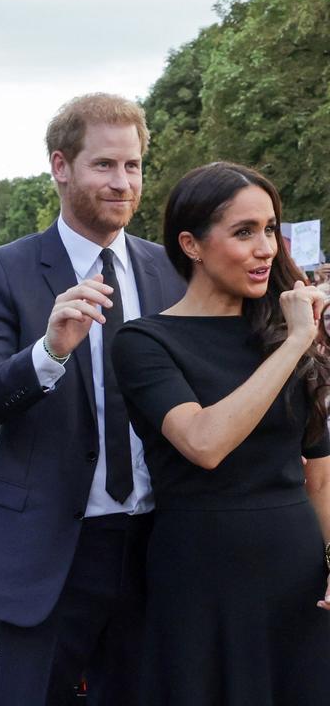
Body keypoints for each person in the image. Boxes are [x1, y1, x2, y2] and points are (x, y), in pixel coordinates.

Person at [0, 93, 185, 705]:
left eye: (133, 166)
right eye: (104, 165)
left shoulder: (170, 272)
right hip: (51, 556)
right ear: (61, 166)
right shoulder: (5, 270)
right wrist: (49, 352)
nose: (122, 182)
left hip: (157, 548)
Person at [113, 161, 330, 705]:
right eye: (244, 232)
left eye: (271, 228)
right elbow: (205, 443)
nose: (266, 248)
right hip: (199, 579)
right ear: (191, 244)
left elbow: (321, 476)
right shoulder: (144, 342)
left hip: (296, 576)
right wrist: (295, 346)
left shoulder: (286, 336)